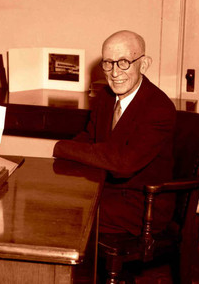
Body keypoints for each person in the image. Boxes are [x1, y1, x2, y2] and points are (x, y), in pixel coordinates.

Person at [52, 30, 176, 236]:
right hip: (107, 190)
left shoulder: (159, 108)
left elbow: (123, 164)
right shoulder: (105, 97)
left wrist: (61, 147)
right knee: (51, 200)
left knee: (65, 212)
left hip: (143, 204)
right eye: (108, 63)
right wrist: (65, 153)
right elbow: (89, 138)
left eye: (124, 62)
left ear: (143, 64)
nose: (115, 73)